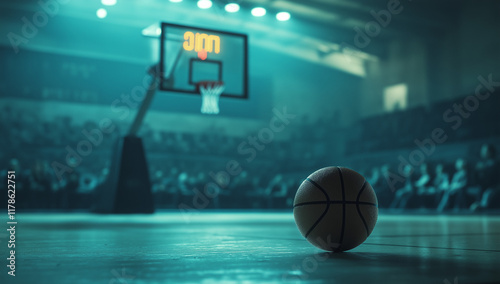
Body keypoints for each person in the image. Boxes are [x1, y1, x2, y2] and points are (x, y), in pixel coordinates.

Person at [471, 144, 500, 211]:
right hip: (485, 187)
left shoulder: (497, 164)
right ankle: (479, 204)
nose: (482, 153)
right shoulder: (483, 165)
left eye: (484, 151)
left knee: (488, 193)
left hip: (495, 187)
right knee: (480, 190)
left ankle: (483, 206)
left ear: (491, 152)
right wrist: (477, 171)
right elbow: (478, 181)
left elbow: (493, 179)